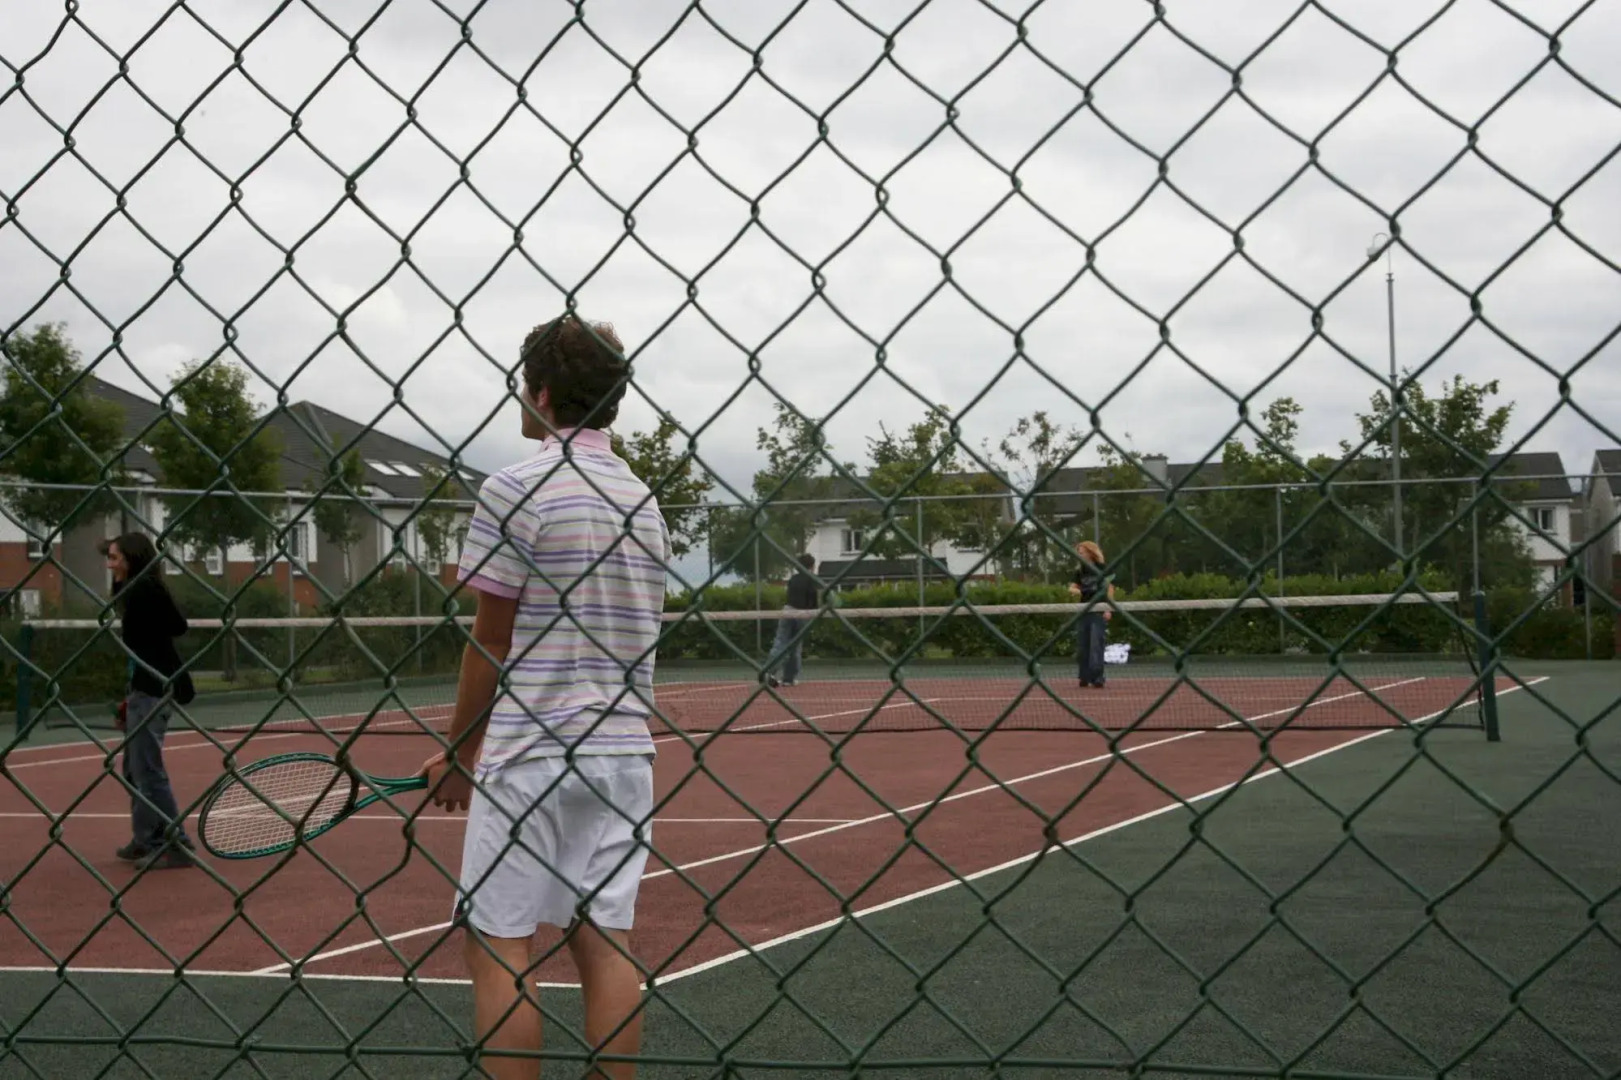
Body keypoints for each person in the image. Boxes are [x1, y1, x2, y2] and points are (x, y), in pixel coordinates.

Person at [420, 315, 669, 1080]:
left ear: (541, 392)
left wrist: (458, 753)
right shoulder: (643, 499)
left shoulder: (514, 488)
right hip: (623, 755)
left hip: (529, 754)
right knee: (604, 942)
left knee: (498, 945)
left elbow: (490, 639)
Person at [104, 532, 196, 869]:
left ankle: (176, 843)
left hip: (155, 690)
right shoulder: (131, 593)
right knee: (133, 769)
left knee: (148, 770)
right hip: (141, 689)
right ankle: (147, 838)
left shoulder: (147, 590)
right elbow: (137, 652)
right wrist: (128, 699)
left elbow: (177, 626)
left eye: (115, 558)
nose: (109, 564)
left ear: (133, 559)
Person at [764, 553, 819, 689]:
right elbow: (813, 602)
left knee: (780, 643)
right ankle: (788, 679)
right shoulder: (812, 579)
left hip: (787, 610)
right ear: (812, 566)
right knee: (795, 647)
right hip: (802, 614)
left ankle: (768, 672)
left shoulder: (793, 579)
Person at [1068, 540, 1115, 689]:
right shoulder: (1079, 571)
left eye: (1082, 552)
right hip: (1084, 610)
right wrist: (1078, 591)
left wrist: (1108, 609)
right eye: (1079, 552)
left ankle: (1097, 677)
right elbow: (1072, 589)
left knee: (1096, 644)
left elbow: (1110, 588)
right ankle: (1084, 677)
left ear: (1090, 552)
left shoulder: (1103, 568)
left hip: (1099, 610)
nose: (1080, 554)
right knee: (1083, 645)